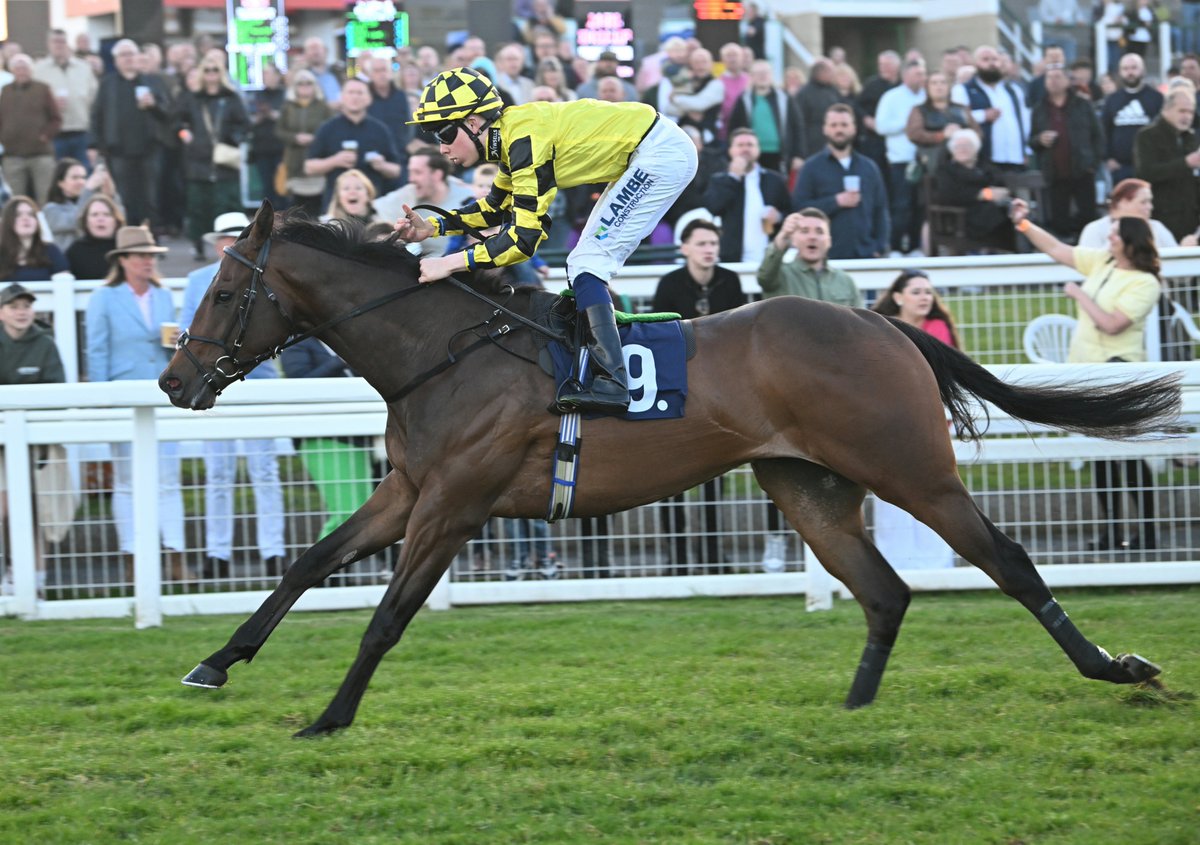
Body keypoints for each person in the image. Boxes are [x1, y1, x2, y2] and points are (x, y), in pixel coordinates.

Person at [395, 66, 698, 414]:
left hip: (660, 156)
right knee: (582, 263)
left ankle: (613, 381)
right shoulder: (513, 135)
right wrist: (432, 227)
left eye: (444, 134)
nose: (442, 148)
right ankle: (600, 370)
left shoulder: (523, 139)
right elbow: (496, 209)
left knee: (588, 263)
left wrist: (448, 263)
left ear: (475, 122)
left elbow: (522, 241)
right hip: (649, 151)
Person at [1010, 197, 1162, 551]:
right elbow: (1058, 249)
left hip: (1118, 371)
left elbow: (1112, 325)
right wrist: (1024, 224)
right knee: (1099, 454)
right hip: (1089, 371)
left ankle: (1148, 533)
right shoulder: (1104, 263)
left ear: (1129, 240)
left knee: (1129, 454)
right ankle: (1111, 533)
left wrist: (1078, 295)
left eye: (1114, 234)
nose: (1108, 238)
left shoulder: (1145, 282)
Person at [179, 212, 286, 581]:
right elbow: (190, 331)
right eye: (222, 237)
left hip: (256, 381)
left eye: (232, 236)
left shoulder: (264, 275)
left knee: (265, 471)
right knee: (219, 473)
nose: (227, 243)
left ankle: (274, 552)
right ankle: (217, 554)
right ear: (213, 243)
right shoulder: (198, 281)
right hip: (214, 381)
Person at [84, 226, 189, 580]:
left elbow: (166, 344)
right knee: (127, 482)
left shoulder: (161, 294)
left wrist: (177, 344)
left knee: (169, 478)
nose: (149, 261)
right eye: (142, 255)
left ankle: (175, 555)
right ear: (124, 261)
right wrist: (103, 400)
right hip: (123, 396)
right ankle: (132, 556)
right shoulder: (104, 298)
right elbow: (96, 352)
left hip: (161, 393)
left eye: (152, 256)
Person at [651, 219, 745, 574]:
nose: (710, 249)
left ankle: (711, 554)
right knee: (668, 479)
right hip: (677, 386)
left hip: (720, 392)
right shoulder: (670, 284)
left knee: (713, 477)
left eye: (713, 243)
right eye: (702, 243)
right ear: (685, 248)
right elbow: (658, 334)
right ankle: (675, 559)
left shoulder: (730, 281)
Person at [868, 269, 959, 569]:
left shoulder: (938, 327)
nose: (924, 297)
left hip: (930, 421)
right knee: (891, 493)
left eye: (928, 292)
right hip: (888, 423)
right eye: (916, 291)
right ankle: (896, 564)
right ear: (897, 297)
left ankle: (937, 564)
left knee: (934, 491)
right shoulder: (880, 328)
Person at [0, 282, 73, 598]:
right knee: (4, 509)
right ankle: (9, 574)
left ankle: (35, 579)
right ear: (2, 312)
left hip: (38, 443)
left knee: (37, 510)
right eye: (14, 306)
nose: (21, 312)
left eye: (26, 306)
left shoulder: (45, 344)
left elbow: (56, 393)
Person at [280, 336, 373, 543]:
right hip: (323, 438)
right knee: (348, 513)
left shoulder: (344, 341)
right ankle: (315, 572)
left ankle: (329, 572)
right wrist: (339, 361)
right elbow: (299, 384)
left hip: (357, 437)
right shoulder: (297, 346)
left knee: (360, 512)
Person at [90, 39, 170, 233]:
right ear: (116, 60)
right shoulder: (108, 83)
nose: (128, 59)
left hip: (149, 148)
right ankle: (129, 237)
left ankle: (152, 238)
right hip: (118, 150)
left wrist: (153, 105)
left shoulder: (152, 81)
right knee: (125, 197)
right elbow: (97, 114)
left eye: (131, 54)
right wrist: (93, 144)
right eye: (123, 55)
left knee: (150, 198)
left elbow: (168, 112)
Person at [792, 103, 890, 259]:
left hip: (866, 254)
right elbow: (799, 208)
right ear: (825, 129)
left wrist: (879, 246)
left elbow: (881, 210)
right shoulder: (811, 168)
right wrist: (835, 201)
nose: (839, 130)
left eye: (844, 124)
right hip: (827, 258)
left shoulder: (869, 167)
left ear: (854, 128)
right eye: (834, 125)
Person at [175, 57, 249, 262]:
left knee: (227, 203)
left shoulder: (231, 98)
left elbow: (244, 124)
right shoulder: (192, 99)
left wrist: (234, 139)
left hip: (224, 160)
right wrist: (185, 135)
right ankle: (198, 244)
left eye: (215, 70)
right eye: (206, 70)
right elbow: (178, 121)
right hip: (198, 160)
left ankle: (235, 244)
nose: (211, 75)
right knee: (199, 205)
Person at [1030, 62, 1104, 240]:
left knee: (1088, 218)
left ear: (1067, 81)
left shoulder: (1082, 105)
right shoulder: (1039, 109)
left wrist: (1092, 164)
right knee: (1059, 222)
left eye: (1057, 77)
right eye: (1049, 77)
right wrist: (1040, 140)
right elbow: (1031, 140)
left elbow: (1098, 136)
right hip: (1055, 174)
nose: (1053, 81)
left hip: (1083, 171)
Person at [304, 77, 403, 209]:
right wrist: (334, 161)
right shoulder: (327, 129)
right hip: (335, 208)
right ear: (342, 97)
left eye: (360, 93)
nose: (355, 97)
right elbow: (309, 167)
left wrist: (382, 165)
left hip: (372, 208)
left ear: (369, 99)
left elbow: (396, 170)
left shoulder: (380, 130)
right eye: (350, 92)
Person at [702, 129, 790, 263]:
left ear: (758, 149)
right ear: (731, 150)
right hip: (732, 258)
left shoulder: (775, 180)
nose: (745, 149)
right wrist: (733, 177)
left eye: (750, 145)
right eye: (740, 145)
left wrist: (779, 217)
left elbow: (790, 211)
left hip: (769, 258)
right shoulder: (720, 180)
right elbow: (714, 207)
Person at [374, 148, 473, 256]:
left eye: (417, 172)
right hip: (420, 268)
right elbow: (375, 209)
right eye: (410, 172)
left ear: (437, 175)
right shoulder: (409, 194)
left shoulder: (468, 197)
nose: (411, 179)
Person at [874, 58, 928, 255]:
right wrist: (908, 123)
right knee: (901, 206)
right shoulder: (891, 97)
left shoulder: (926, 96)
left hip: (924, 160)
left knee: (920, 206)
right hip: (901, 161)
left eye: (923, 73)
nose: (922, 78)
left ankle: (915, 246)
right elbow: (881, 126)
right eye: (917, 74)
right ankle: (896, 247)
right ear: (905, 75)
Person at [757, 207, 863, 307]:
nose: (812, 237)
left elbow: (861, 322)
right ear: (793, 239)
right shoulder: (779, 276)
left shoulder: (845, 281)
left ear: (829, 240)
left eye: (819, 231)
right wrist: (783, 237)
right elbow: (764, 276)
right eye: (805, 231)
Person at [932, 129, 1017, 252]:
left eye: (967, 145)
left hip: (991, 209)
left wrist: (1003, 192)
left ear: (976, 149)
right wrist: (983, 194)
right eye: (958, 146)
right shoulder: (946, 170)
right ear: (952, 150)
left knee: (1012, 208)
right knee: (999, 213)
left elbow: (1001, 184)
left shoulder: (986, 167)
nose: (963, 149)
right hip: (962, 214)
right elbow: (948, 195)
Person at [1133, 88, 1200, 243]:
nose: (1187, 117)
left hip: (1190, 219)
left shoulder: (1190, 138)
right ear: (1166, 110)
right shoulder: (1147, 136)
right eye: (1182, 111)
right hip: (1161, 217)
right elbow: (1145, 173)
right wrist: (1185, 163)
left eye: (1190, 112)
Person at [952, 45, 1030, 172]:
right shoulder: (963, 90)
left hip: (1015, 158)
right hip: (984, 161)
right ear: (976, 63)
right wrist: (982, 116)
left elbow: (1024, 121)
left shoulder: (1013, 90)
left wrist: (1025, 149)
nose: (991, 63)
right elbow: (957, 118)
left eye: (994, 59)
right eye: (985, 60)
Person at [0, 54, 62, 205]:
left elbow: (56, 118)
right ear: (12, 70)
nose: (21, 71)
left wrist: (45, 136)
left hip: (41, 154)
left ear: (31, 70)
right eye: (18, 68)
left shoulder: (43, 89)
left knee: (46, 198)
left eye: (25, 68)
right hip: (12, 155)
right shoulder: (5, 91)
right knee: (14, 202)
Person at [725, 60, 804, 174]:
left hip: (780, 155)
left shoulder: (784, 98)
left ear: (771, 75)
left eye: (765, 73)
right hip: (750, 154)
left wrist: (799, 154)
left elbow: (797, 126)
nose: (762, 76)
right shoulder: (744, 99)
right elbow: (733, 127)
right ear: (751, 76)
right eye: (758, 73)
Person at [32, 29, 97, 168]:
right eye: (55, 41)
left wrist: (94, 139)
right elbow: (32, 106)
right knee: (57, 177)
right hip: (54, 135)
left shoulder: (84, 68)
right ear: (48, 44)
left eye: (62, 41)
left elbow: (94, 102)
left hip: (81, 133)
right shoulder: (38, 70)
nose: (59, 45)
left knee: (83, 176)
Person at [276, 69, 334, 218]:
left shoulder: (323, 107)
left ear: (315, 86)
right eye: (300, 83)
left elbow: (331, 130)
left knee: (317, 207)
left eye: (308, 83)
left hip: (317, 162)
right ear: (294, 86)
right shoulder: (288, 107)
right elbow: (279, 131)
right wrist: (295, 137)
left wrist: (315, 138)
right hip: (294, 163)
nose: (304, 86)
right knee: (296, 209)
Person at [906, 70, 980, 180]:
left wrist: (962, 135)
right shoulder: (919, 110)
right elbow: (914, 134)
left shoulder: (962, 109)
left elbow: (978, 133)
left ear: (949, 86)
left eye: (943, 82)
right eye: (934, 83)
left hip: (963, 165)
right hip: (932, 165)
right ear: (927, 87)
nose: (939, 86)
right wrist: (941, 135)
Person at [1101, 53, 1162, 185]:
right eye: (1125, 68)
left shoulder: (1157, 98)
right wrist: (1108, 158)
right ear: (1120, 72)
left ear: (1143, 70)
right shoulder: (1112, 100)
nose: (1130, 72)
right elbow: (1104, 130)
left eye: (1134, 68)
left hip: (1151, 166)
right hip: (1120, 167)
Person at [41, 158, 121, 251]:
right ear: (60, 183)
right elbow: (78, 220)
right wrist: (88, 190)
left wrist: (111, 195)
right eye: (75, 177)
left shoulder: (90, 201)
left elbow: (120, 217)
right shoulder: (50, 209)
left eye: (83, 177)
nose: (81, 182)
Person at [1078, 178, 1181, 248]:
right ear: (1122, 203)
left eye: (1150, 201)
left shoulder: (1157, 227)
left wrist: (1184, 249)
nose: (1150, 207)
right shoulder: (1094, 230)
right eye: (1143, 202)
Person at [0, 196, 69, 282]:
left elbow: (65, 283)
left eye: (31, 214)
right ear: (8, 221)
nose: (25, 218)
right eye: (18, 215)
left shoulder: (51, 250)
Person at [247, 63, 286, 210]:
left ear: (277, 76)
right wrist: (258, 117)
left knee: (281, 187)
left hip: (281, 148)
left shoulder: (285, 95)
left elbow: (287, 118)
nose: (265, 77)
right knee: (267, 187)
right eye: (263, 74)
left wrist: (274, 115)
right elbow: (249, 119)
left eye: (268, 73)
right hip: (261, 148)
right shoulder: (257, 95)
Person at [65, 194, 124, 279]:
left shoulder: (125, 248)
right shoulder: (75, 250)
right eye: (94, 215)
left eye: (106, 214)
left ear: (116, 220)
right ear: (86, 221)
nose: (100, 219)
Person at [794, 59, 840, 161]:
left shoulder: (833, 90)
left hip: (833, 142)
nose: (833, 75)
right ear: (821, 72)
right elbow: (799, 123)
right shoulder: (804, 94)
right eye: (831, 72)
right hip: (812, 145)